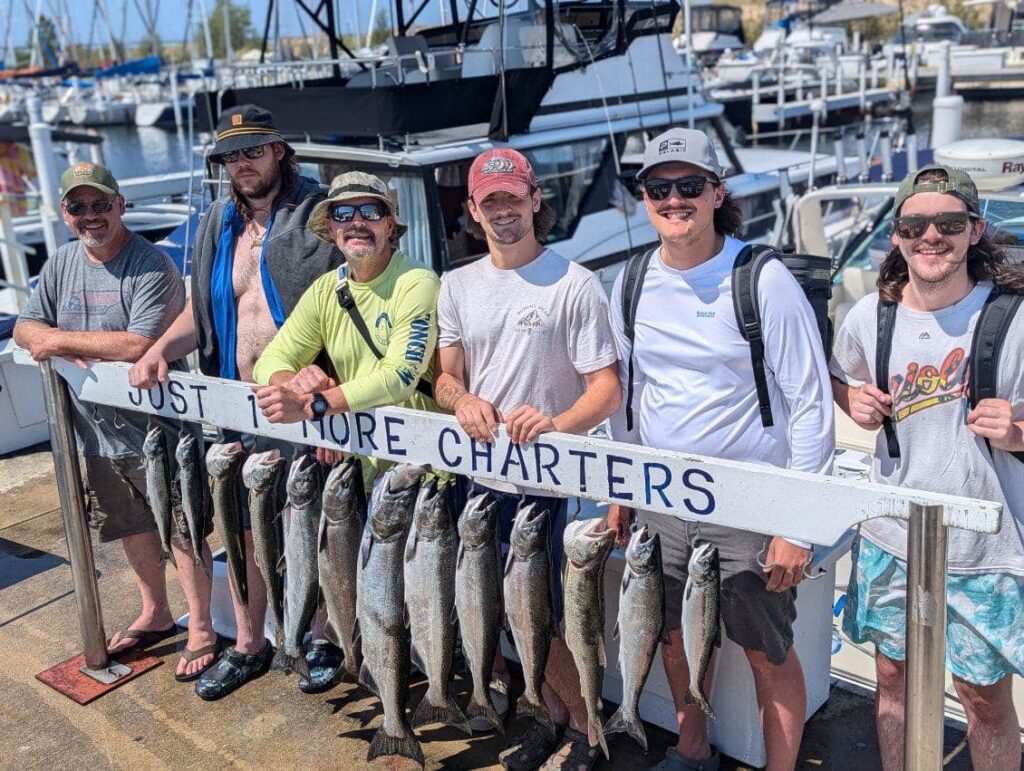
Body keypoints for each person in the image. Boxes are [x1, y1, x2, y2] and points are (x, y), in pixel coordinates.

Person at [605, 128, 834, 771]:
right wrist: (622, 491)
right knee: (673, 633)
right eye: (659, 188)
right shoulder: (629, 281)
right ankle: (691, 746)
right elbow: (628, 395)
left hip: (748, 499)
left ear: (716, 193)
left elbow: (812, 404)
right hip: (658, 493)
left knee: (767, 649)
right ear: (644, 198)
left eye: (688, 187)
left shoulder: (763, 279)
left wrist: (798, 524)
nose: (673, 200)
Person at [128, 104, 342, 700]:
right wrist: (159, 350)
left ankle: (315, 638)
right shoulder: (217, 220)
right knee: (244, 531)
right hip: (232, 404)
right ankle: (250, 643)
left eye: (252, 150)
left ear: (279, 150)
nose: (241, 164)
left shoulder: (319, 213)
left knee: (310, 527)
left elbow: (349, 303)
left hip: (304, 408)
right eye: (230, 155)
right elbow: (201, 309)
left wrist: (329, 394)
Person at [830, 164, 1024, 771]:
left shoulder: (1013, 318)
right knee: (892, 679)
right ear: (895, 235)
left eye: (947, 223)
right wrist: (851, 399)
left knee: (983, 702)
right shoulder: (870, 316)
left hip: (983, 549)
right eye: (915, 224)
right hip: (891, 536)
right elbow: (841, 377)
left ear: (973, 230)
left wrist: (1017, 431)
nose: (930, 237)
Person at [434, 148, 621, 770]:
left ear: (535, 200)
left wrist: (555, 424)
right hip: (481, 480)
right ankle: (551, 714)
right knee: (506, 612)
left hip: (552, 484)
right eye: (491, 201)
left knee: (555, 617)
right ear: (473, 210)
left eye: (513, 198)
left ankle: (589, 731)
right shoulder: (456, 284)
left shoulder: (576, 282)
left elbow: (606, 389)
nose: (503, 211)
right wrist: (461, 401)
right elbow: (447, 376)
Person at [14, 162, 218, 681]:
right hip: (95, 431)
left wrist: (58, 340)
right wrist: (42, 335)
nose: (90, 216)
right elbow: (23, 325)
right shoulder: (60, 263)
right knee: (129, 524)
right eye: (78, 207)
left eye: (101, 204)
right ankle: (156, 610)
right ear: (64, 213)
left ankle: (202, 629)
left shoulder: (150, 264)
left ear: (120, 205)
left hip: (161, 432)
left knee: (182, 526)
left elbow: (137, 344)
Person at [250, 171, 439, 458]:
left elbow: (399, 378)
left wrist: (315, 405)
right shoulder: (326, 288)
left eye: (371, 211)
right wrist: (295, 385)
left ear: (389, 225)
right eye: (343, 213)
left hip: (420, 466)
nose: (357, 223)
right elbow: (268, 361)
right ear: (331, 226)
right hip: (356, 464)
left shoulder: (416, 281)